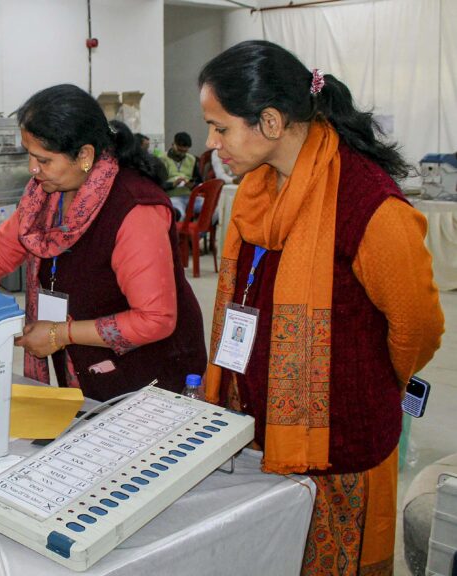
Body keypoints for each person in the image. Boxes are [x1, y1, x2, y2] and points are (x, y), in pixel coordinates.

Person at [200, 40, 444, 576]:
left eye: (220, 127)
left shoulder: (369, 205)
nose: (211, 142)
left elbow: (418, 327)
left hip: (341, 448)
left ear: (269, 121)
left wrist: (370, 383)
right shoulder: (257, 191)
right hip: (257, 432)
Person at [0, 84, 206, 402]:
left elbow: (155, 319)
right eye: (30, 157)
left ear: (85, 156)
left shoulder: (135, 208)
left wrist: (58, 333)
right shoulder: (44, 198)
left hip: (149, 379)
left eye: (44, 160)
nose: (33, 170)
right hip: (87, 371)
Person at [160, 132, 202, 220]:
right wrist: (172, 184)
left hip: (190, 196)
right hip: (172, 197)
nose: (182, 153)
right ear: (173, 145)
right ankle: (178, 232)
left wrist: (192, 185)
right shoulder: (162, 159)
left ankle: (201, 233)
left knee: (211, 209)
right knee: (179, 214)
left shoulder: (192, 159)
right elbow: (158, 184)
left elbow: (199, 180)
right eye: (179, 150)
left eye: (185, 151)